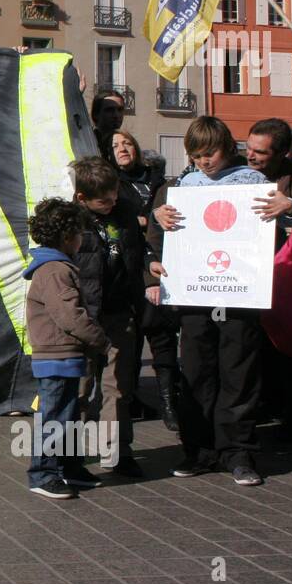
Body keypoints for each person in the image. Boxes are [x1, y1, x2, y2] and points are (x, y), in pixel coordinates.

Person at [147, 116, 292, 486]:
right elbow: (160, 237)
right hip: (195, 297)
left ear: (226, 147)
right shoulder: (184, 185)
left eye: (210, 153)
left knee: (239, 374)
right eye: (197, 155)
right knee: (198, 374)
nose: (204, 161)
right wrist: (158, 218)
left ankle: (239, 454)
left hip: (239, 296)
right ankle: (199, 451)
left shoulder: (253, 183)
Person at [23, 198, 111, 499]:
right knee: (56, 416)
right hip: (57, 356)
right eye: (79, 234)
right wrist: (99, 339)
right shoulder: (56, 270)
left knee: (70, 416)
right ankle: (43, 473)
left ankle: (69, 468)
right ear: (66, 237)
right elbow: (70, 316)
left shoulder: (56, 267)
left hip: (67, 356)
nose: (82, 240)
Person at [70, 156, 146, 477]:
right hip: (85, 316)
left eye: (115, 195)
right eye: (105, 200)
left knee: (118, 386)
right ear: (82, 199)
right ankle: (70, 454)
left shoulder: (125, 211)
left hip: (119, 311)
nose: (112, 202)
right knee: (80, 388)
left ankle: (115, 452)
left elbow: (137, 249)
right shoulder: (72, 221)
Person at [245, 117, 292, 436]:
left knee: (286, 344)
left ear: (283, 153)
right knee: (252, 344)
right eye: (248, 148)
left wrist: (291, 209)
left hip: (285, 273)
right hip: (246, 272)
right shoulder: (236, 174)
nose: (251, 156)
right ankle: (259, 404)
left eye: (260, 152)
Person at [111, 131, 182, 432]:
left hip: (160, 263)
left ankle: (170, 403)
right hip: (128, 268)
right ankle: (131, 402)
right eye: (115, 146)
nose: (122, 149)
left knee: (162, 336)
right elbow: (117, 218)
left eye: (127, 143)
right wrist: (148, 219)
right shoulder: (112, 181)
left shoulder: (158, 180)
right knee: (132, 342)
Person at [90, 91, 126, 160]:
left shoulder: (127, 143)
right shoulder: (88, 142)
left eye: (120, 109)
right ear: (96, 114)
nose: (116, 115)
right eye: (109, 110)